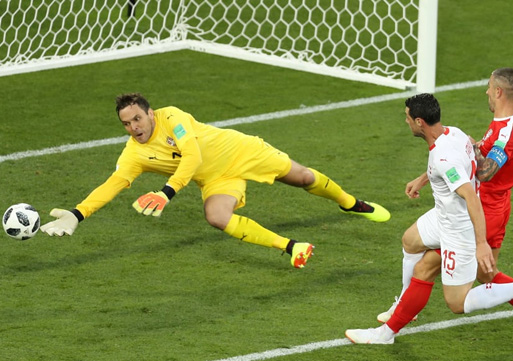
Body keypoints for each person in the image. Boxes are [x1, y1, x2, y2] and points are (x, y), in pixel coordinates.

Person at [40, 93, 390, 267]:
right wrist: (78, 214)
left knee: (303, 177)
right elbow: (114, 183)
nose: (134, 127)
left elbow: (191, 157)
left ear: (150, 113)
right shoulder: (134, 153)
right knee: (217, 217)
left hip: (242, 151)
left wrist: (167, 192)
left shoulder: (172, 117)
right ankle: (292, 247)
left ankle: (350, 203)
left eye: (137, 119)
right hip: (216, 179)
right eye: (126, 124)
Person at [345, 93, 513, 345]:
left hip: (458, 228)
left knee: (456, 301)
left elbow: (470, 195)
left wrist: (480, 243)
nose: (405, 121)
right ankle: (398, 312)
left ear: (419, 122)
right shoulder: (455, 133)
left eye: (407, 117)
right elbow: (456, 163)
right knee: (410, 240)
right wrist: (424, 178)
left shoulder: (443, 157)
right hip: (443, 215)